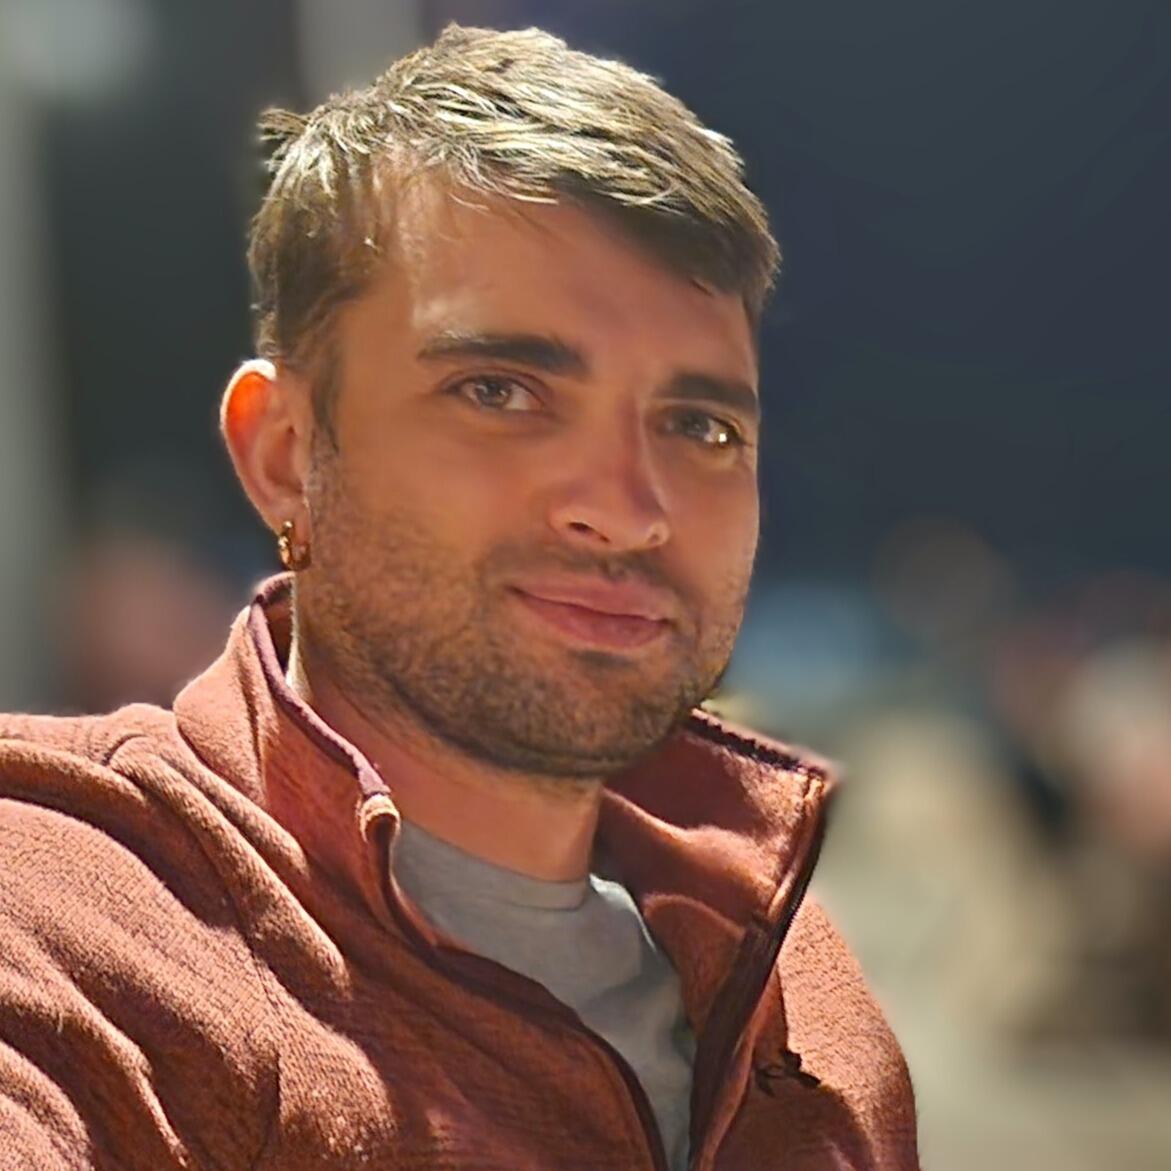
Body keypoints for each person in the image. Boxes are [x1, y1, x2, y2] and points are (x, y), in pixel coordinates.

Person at [0, 24, 918, 1171]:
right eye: (500, 390)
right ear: (285, 453)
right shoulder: (74, 912)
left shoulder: (806, 1011)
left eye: (699, 425)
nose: (630, 507)